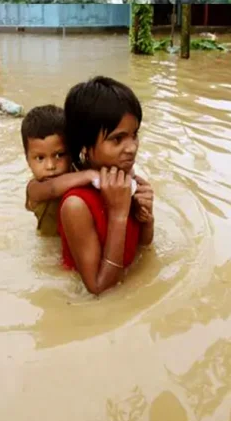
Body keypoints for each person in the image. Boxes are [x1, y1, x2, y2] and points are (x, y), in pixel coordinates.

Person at [58, 76, 154, 295]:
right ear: (85, 147)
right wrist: (119, 214)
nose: (131, 148)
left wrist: (147, 217)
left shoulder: (124, 178)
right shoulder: (76, 205)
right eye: (117, 139)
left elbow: (143, 247)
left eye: (134, 135)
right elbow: (99, 288)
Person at [22, 104, 100, 236]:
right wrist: (89, 175)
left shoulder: (76, 173)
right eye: (40, 158)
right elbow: (52, 188)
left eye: (59, 155)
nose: (50, 166)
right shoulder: (35, 188)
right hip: (49, 244)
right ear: (28, 160)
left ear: (72, 153)